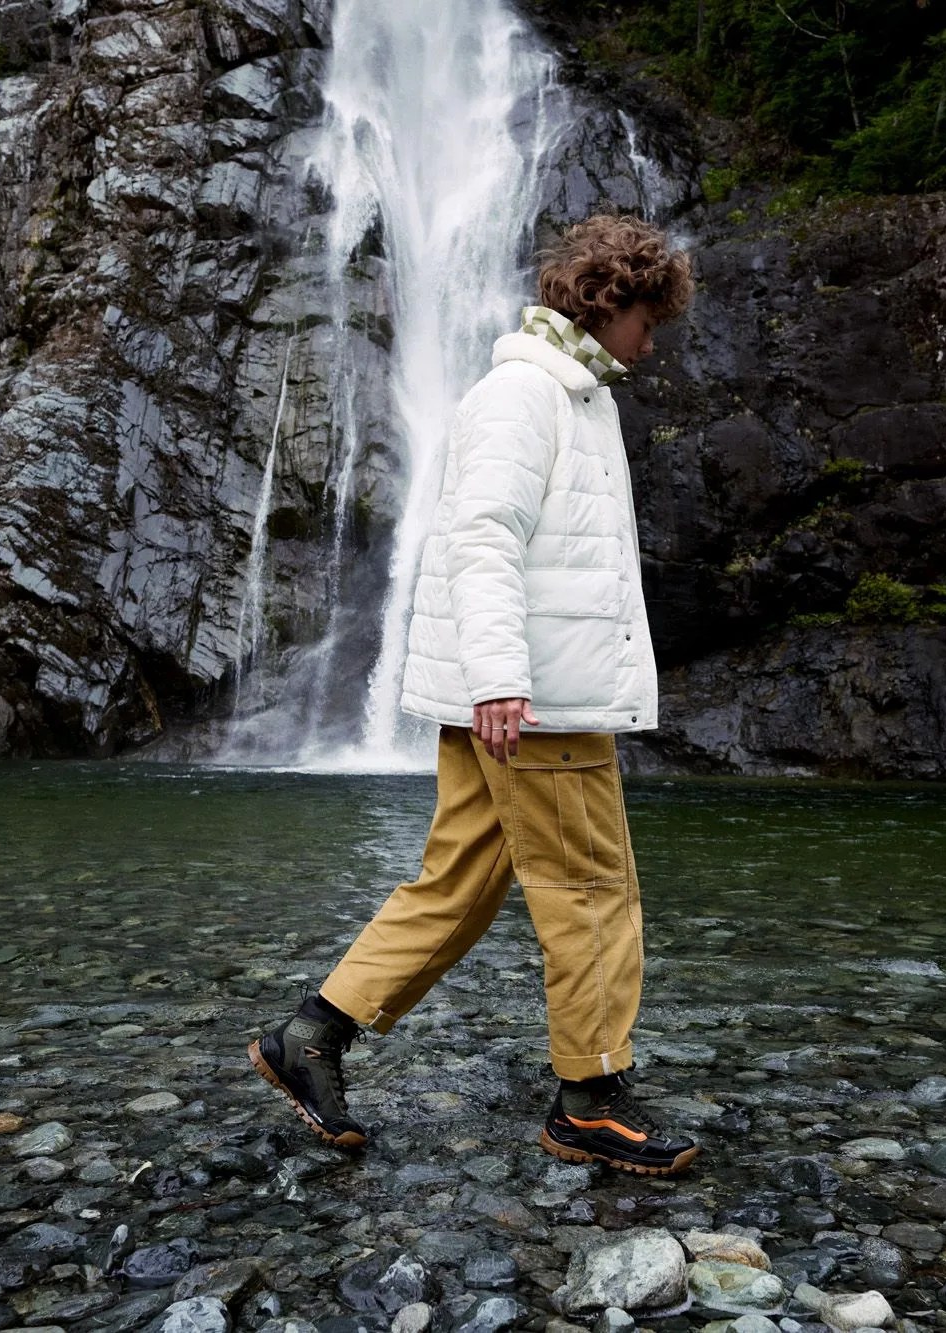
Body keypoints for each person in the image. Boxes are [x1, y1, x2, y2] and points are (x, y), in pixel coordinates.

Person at [250, 214, 698, 1176]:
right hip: (532, 705)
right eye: (647, 319)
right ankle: (590, 1098)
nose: (652, 342)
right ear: (606, 299)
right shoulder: (529, 396)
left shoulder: (567, 395)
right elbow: (482, 539)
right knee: (590, 893)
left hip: (510, 698)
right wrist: (501, 678)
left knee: (456, 883)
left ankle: (312, 1034)